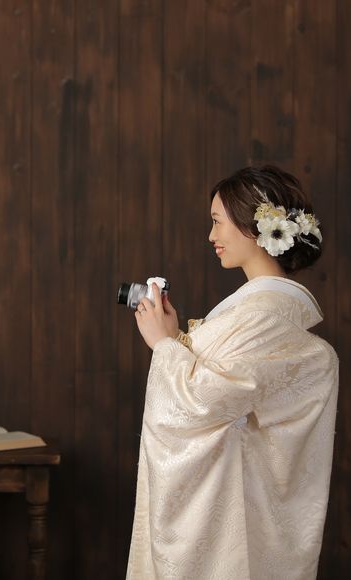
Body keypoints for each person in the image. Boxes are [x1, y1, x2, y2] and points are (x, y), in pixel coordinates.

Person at [126, 166, 338, 580]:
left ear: (254, 225)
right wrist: (175, 338)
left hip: (229, 513)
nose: (211, 236)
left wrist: (164, 345)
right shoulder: (255, 313)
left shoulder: (264, 316)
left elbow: (202, 402)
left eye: (218, 221)